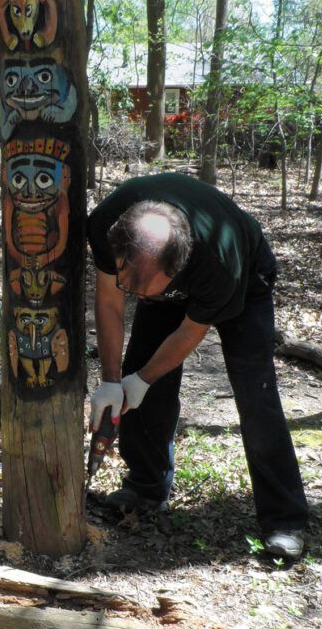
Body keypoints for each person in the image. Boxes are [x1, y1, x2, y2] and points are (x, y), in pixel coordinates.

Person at [87, 171, 309, 559]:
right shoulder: (108, 225)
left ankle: (285, 518)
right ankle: (146, 486)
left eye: (145, 290)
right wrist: (113, 381)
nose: (135, 296)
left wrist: (141, 380)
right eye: (129, 284)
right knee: (138, 369)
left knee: (254, 393)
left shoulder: (216, 266)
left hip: (247, 277)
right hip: (166, 272)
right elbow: (109, 302)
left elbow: (190, 331)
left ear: (177, 270)